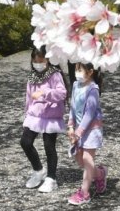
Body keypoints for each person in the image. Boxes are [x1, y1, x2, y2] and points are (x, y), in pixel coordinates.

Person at [20, 46, 67, 193]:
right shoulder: (32, 77)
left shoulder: (55, 75)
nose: (38, 63)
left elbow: (62, 93)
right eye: (35, 61)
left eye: (41, 60)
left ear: (48, 60)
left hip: (51, 115)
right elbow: (28, 98)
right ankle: (38, 170)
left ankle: (51, 178)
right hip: (34, 115)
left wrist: (44, 93)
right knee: (25, 142)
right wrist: (26, 114)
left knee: (49, 146)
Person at [67, 63, 106, 206]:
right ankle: (100, 174)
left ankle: (84, 192)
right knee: (80, 160)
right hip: (78, 130)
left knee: (87, 159)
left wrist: (77, 133)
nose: (76, 73)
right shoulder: (76, 85)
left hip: (91, 130)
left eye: (79, 70)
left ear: (90, 72)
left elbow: (89, 115)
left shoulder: (93, 89)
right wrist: (70, 126)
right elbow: (72, 106)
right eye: (76, 70)